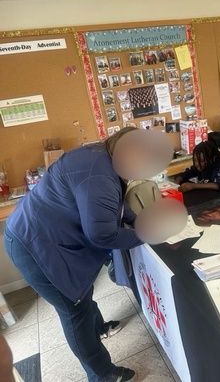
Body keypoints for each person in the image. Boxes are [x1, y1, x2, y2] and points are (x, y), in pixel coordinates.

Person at [4, 127, 165, 382]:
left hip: (48, 236)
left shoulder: (104, 157)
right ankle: (102, 374)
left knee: (82, 292)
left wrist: (139, 220)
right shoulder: (97, 173)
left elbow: (114, 206)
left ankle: (98, 328)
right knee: (74, 309)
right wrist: (145, 234)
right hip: (36, 246)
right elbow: (102, 235)